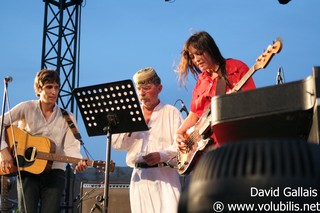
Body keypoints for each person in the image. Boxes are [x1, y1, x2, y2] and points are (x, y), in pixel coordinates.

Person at [0, 69, 88, 213]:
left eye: (56, 87)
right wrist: (4, 151)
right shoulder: (26, 107)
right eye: (49, 87)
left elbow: (72, 147)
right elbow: (0, 123)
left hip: (55, 172)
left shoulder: (68, 117)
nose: (53, 92)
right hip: (27, 170)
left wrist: (77, 162)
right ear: (38, 89)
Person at [112, 67, 183, 213]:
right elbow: (117, 145)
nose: (142, 93)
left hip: (165, 175)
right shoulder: (131, 114)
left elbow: (182, 146)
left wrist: (161, 155)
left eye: (147, 88)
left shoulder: (171, 112)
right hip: (139, 177)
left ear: (159, 88)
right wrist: (129, 126)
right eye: (138, 89)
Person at [175, 31, 256, 151]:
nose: (196, 60)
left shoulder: (236, 67)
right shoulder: (201, 81)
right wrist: (179, 132)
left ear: (210, 49)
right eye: (192, 57)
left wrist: (236, 101)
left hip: (234, 141)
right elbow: (194, 115)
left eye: (199, 53)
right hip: (209, 150)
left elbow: (253, 101)